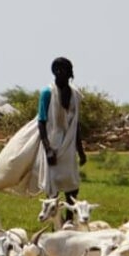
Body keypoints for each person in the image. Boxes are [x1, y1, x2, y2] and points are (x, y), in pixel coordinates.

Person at [37, 57, 87, 220]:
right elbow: (41, 122)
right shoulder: (47, 93)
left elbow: (75, 125)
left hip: (69, 144)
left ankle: (69, 221)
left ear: (70, 72)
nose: (60, 73)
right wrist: (48, 149)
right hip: (53, 142)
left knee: (72, 186)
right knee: (53, 188)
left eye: (64, 70)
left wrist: (81, 150)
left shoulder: (75, 95)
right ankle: (54, 222)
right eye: (57, 70)